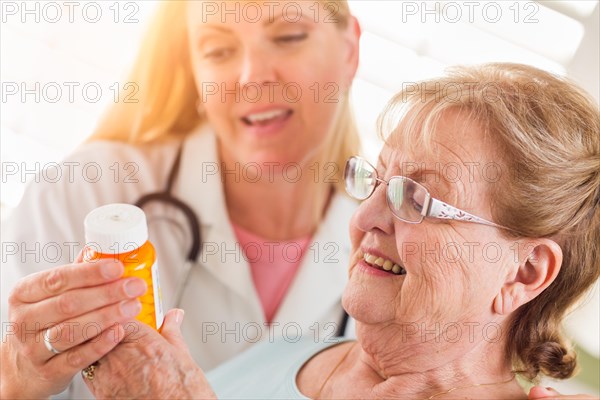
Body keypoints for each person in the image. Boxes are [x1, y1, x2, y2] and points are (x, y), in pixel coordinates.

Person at [79, 63, 599, 399]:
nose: (365, 218)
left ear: (526, 271)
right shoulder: (296, 351)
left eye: (417, 198)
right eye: (376, 180)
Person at [0, 1, 361, 398]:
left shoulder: (389, 251)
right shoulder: (86, 190)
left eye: (288, 37)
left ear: (349, 51)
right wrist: (15, 382)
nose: (252, 75)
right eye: (219, 51)